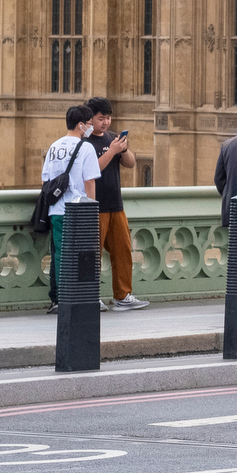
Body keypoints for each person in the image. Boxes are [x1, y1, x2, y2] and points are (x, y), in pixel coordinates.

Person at [84, 96, 145, 311]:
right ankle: (91, 296)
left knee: (123, 251)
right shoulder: (84, 142)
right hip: (94, 207)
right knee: (93, 253)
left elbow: (131, 164)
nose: (106, 123)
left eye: (109, 118)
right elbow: (91, 170)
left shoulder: (112, 137)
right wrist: (111, 151)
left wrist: (123, 149)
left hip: (116, 206)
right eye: (102, 118)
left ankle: (123, 295)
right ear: (90, 119)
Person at [39, 103, 101, 310]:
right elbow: (90, 182)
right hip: (79, 211)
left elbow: (46, 179)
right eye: (90, 124)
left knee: (59, 255)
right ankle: (73, 297)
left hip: (56, 210)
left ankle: (57, 298)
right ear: (81, 125)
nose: (91, 128)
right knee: (80, 255)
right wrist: (92, 211)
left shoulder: (54, 146)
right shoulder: (86, 148)